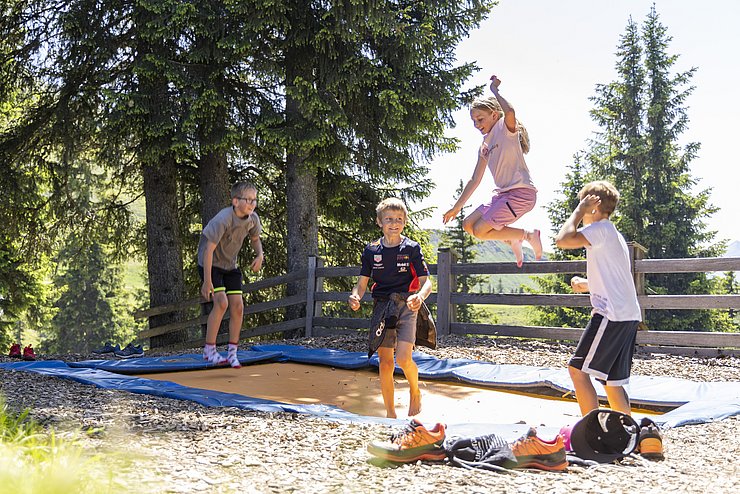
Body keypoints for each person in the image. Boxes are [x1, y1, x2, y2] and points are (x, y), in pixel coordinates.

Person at [554, 180, 641, 416]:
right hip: (627, 315)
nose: (581, 208)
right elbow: (616, 278)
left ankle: (590, 434)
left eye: (584, 203)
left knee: (577, 371)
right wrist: (588, 285)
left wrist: (578, 211)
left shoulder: (600, 230)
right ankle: (625, 433)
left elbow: (562, 240)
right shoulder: (614, 235)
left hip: (610, 314)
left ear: (594, 205)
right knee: (613, 382)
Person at [442, 75, 542, 267]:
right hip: (503, 195)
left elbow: (510, 111)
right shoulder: (484, 146)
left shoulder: (505, 130)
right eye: (473, 121)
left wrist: (495, 91)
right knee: (468, 225)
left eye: (480, 119)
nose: (477, 125)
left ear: (495, 115)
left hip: (521, 194)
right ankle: (513, 238)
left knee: (480, 230)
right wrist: (456, 207)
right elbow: (474, 180)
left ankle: (528, 235)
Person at [348, 198, 433, 418]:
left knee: (404, 359)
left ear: (404, 222)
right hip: (382, 307)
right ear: (379, 222)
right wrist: (355, 296)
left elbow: (427, 283)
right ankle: (390, 414)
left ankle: (415, 391)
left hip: (407, 304)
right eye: (389, 219)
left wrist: (419, 296)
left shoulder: (412, 248)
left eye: (398, 219)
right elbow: (362, 283)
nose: (394, 223)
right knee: (385, 363)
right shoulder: (371, 250)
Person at [197, 182, 264, 368]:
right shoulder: (223, 219)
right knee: (221, 303)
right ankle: (209, 350)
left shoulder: (253, 219)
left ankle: (233, 352)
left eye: (254, 200)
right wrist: (207, 281)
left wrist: (260, 254)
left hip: (229, 266)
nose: (252, 203)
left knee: (238, 307)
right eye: (248, 200)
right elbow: (208, 251)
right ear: (235, 201)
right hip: (210, 265)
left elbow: (255, 239)